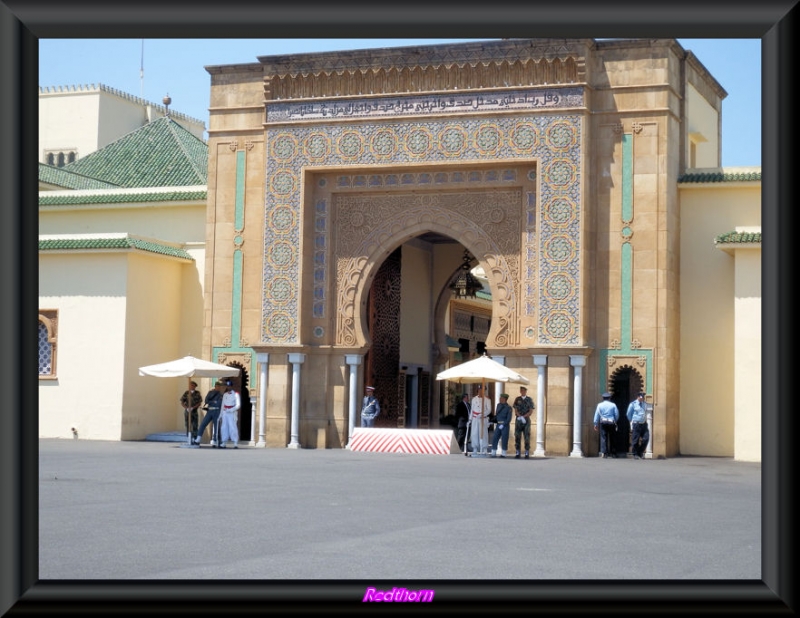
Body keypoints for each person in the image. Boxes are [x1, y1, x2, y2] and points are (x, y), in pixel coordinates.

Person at [193, 380, 224, 446]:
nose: (218, 387)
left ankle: (216, 440)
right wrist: (213, 402)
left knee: (217, 427)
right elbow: (206, 400)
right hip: (210, 411)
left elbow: (219, 403)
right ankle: (198, 439)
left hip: (217, 411)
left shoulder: (221, 395)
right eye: (217, 386)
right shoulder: (211, 393)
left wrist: (212, 402)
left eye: (219, 386)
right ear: (215, 386)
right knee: (203, 424)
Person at [593, 392, 619, 458]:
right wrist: (615, 421)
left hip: (603, 422)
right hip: (611, 422)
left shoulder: (599, 405)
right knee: (612, 437)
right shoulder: (613, 405)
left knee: (603, 437)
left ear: (603, 398)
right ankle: (613, 453)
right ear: (609, 398)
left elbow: (597, 414)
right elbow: (616, 414)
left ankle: (604, 453)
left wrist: (595, 423)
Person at [513, 386, 535, 459]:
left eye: (524, 391)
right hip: (519, 420)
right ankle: (517, 452)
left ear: (526, 391)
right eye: (521, 390)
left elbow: (531, 410)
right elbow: (515, 409)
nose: (522, 392)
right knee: (517, 436)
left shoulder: (529, 399)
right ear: (520, 391)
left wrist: (524, 416)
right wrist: (520, 416)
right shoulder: (517, 399)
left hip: (526, 420)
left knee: (527, 436)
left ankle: (526, 452)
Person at [627, 391, 650, 459]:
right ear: (638, 397)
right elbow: (629, 414)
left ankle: (640, 451)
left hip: (643, 423)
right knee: (635, 439)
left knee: (646, 438)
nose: (642, 399)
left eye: (642, 397)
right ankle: (635, 454)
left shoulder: (644, 404)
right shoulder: (633, 404)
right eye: (641, 397)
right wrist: (632, 421)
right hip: (636, 423)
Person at [218, 380, 241, 449]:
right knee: (224, 427)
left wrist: (231, 410)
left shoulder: (236, 394)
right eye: (227, 386)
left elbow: (238, 405)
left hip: (231, 412)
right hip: (225, 412)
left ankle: (235, 442)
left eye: (229, 386)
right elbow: (223, 405)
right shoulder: (225, 394)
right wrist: (220, 414)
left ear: (231, 386)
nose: (228, 387)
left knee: (232, 427)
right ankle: (224, 442)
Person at [469, 385, 491, 455]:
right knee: (474, 433)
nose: (480, 392)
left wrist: (483, 414)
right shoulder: (474, 399)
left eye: (482, 390)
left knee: (483, 433)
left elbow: (489, 410)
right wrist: (470, 419)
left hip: (482, 418)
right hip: (475, 418)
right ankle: (475, 448)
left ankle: (484, 448)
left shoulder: (487, 400)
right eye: (479, 390)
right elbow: (472, 409)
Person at [490, 393, 513, 458]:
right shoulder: (498, 405)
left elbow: (509, 418)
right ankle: (493, 452)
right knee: (495, 438)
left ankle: (503, 453)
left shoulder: (509, 408)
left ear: (505, 399)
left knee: (504, 439)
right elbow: (497, 415)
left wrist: (503, 424)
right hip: (498, 424)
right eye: (500, 398)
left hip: (504, 425)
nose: (500, 399)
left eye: (501, 398)